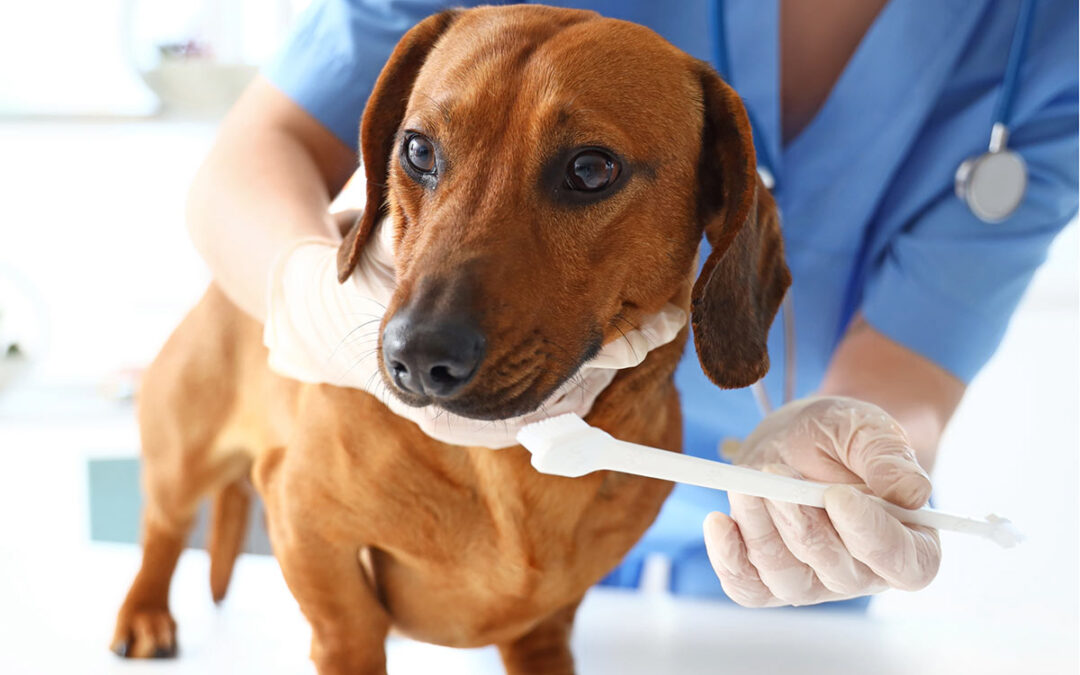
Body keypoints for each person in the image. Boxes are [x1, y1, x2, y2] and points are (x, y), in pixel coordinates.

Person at [185, 0, 1079, 607]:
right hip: (473, 556)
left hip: (761, 558)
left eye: (589, 170)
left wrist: (845, 462)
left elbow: (912, 369)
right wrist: (315, 303)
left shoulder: (1050, 42)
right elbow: (255, 154)